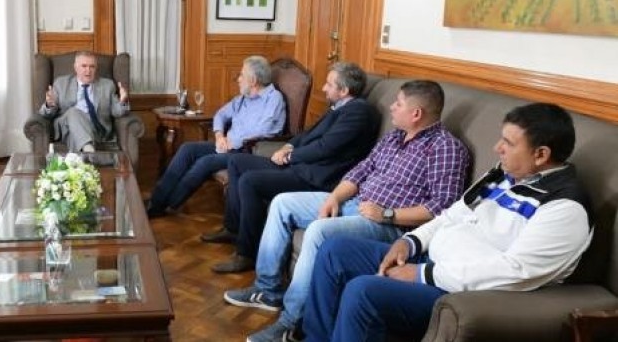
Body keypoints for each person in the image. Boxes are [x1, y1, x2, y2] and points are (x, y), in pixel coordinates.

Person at [301, 103, 591, 342]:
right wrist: (410, 242)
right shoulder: (502, 175)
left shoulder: (564, 207)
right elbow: (452, 214)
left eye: (508, 143)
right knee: (335, 251)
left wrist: (423, 274)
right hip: (430, 261)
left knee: (363, 291)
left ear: (541, 155)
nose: (497, 147)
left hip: (460, 290)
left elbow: (515, 272)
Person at [225, 80, 472, 342]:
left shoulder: (446, 148)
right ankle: (268, 290)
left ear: (416, 114)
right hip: (355, 201)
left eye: (398, 103)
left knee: (319, 231)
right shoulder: (394, 137)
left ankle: (291, 321)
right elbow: (360, 171)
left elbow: (442, 208)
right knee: (282, 203)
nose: (391, 107)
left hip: (388, 224)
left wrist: (387, 214)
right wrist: (334, 198)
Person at [206, 62, 381, 273]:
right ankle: (233, 228)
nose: (324, 88)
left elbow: (325, 148)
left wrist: (290, 156)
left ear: (344, 90)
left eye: (328, 84)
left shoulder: (359, 113)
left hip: (317, 177)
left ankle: (246, 254)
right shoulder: (339, 107)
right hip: (302, 166)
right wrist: (288, 146)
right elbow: (308, 134)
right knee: (236, 161)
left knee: (250, 181)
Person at [146, 56, 286, 217]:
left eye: (241, 75)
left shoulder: (274, 99)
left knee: (205, 162)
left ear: (253, 80)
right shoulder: (244, 98)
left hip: (248, 151)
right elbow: (220, 114)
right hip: (227, 145)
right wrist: (220, 136)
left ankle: (165, 205)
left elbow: (264, 130)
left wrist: (232, 142)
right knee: (187, 149)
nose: (238, 79)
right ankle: (157, 200)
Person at [38, 51, 130, 153]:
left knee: (74, 137)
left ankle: (86, 154)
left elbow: (117, 111)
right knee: (74, 112)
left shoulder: (107, 85)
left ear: (96, 68)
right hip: (65, 126)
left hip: (95, 129)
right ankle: (89, 152)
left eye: (92, 66)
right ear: (75, 67)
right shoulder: (61, 84)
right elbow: (45, 113)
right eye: (84, 66)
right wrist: (49, 105)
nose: (88, 70)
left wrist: (123, 100)